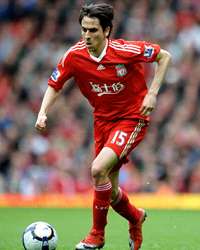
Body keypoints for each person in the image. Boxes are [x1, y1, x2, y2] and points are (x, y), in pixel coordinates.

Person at [35, 3, 171, 250]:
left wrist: (152, 94)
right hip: (103, 122)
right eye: (84, 30)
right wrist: (43, 112)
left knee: (98, 170)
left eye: (93, 30)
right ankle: (136, 217)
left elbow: (164, 56)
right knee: (110, 191)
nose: (87, 36)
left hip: (132, 118)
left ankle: (96, 236)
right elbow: (55, 84)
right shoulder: (74, 56)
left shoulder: (124, 50)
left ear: (107, 30)